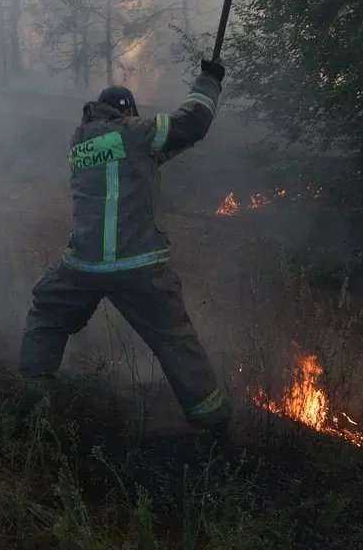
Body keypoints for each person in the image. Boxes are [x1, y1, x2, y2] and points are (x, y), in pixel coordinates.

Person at [18, 59, 231, 432]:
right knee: (174, 342)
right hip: (138, 265)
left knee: (47, 315)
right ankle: (213, 425)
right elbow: (193, 123)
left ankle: (31, 401)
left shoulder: (80, 141)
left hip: (82, 265)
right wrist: (209, 80)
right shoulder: (134, 134)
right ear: (128, 114)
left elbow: (142, 159)